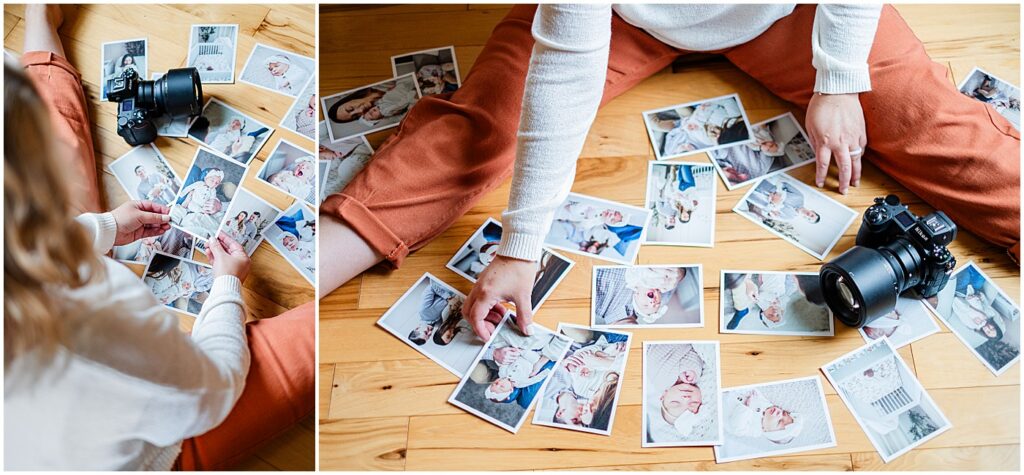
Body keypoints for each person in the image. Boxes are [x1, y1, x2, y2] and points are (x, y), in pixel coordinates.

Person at [319, 4, 1020, 342]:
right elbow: (563, 71)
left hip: (792, 14)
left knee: (929, 123)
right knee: (489, 124)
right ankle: (310, 263)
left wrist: (838, 75)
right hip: (629, 18)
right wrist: (519, 246)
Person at [4, 6, 313, 470]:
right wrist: (227, 288)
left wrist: (105, 226)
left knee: (49, 122)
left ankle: (38, 18)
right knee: (313, 340)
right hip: (159, 451)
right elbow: (212, 392)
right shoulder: (102, 307)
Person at [724, 388, 804, 444]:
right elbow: (755, 392)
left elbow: (737, 428)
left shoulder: (755, 430)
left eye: (779, 421)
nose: (779, 413)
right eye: (783, 413)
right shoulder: (767, 405)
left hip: (723, 408)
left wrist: (746, 408)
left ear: (766, 430)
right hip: (731, 393)